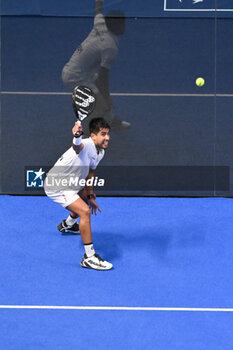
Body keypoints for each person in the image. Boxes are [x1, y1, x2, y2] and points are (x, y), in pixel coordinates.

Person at [44, 117, 113, 270]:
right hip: (57, 185)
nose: (107, 138)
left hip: (72, 182)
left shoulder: (100, 151)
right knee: (85, 212)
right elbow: (77, 146)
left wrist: (90, 196)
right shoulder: (87, 144)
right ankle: (89, 257)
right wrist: (77, 136)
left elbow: (90, 174)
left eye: (108, 134)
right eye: (103, 134)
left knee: (86, 201)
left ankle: (67, 225)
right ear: (93, 135)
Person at [62, 0, 130, 135]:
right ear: (116, 26)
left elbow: (98, 9)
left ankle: (110, 120)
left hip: (82, 71)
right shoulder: (109, 47)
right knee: (100, 108)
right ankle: (85, 141)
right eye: (122, 23)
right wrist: (107, 97)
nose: (124, 26)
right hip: (75, 77)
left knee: (103, 103)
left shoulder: (100, 24)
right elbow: (104, 77)